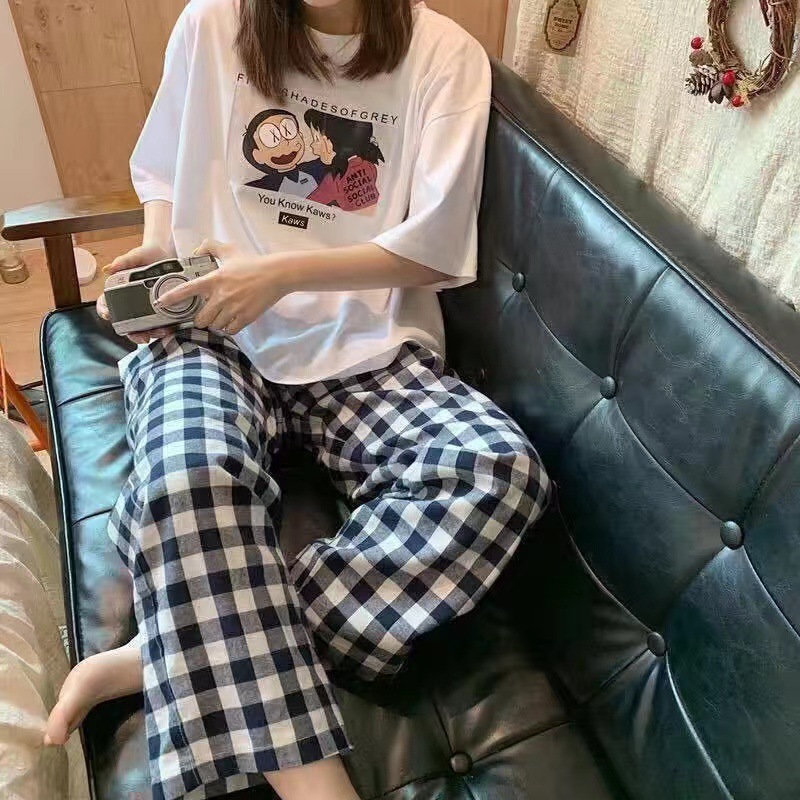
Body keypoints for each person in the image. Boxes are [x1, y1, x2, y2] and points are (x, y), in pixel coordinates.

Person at [44, 2, 551, 800]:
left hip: (366, 341)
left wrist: (280, 274)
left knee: (494, 470)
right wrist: (159, 247)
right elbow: (166, 171)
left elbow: (435, 243)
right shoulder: (213, 23)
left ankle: (168, 647)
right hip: (213, 328)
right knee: (186, 476)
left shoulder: (444, 55)